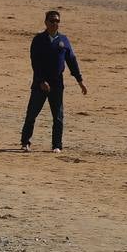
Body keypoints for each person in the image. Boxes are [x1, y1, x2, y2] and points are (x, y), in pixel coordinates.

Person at [21, 10, 87, 152]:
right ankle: (25, 142)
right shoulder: (38, 40)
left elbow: (71, 61)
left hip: (57, 83)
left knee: (58, 116)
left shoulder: (64, 40)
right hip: (40, 83)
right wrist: (41, 81)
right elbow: (35, 63)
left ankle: (57, 145)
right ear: (45, 22)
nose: (54, 23)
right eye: (52, 21)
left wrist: (80, 80)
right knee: (32, 114)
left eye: (57, 21)